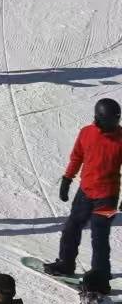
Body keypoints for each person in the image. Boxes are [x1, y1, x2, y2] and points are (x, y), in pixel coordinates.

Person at [45, 100, 122, 281]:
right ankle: (66, 263)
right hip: (85, 192)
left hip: (108, 197)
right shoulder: (87, 133)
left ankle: (101, 276)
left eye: (116, 121)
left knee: (100, 235)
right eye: (110, 121)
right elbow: (77, 156)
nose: (114, 125)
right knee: (71, 227)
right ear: (99, 118)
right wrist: (67, 179)